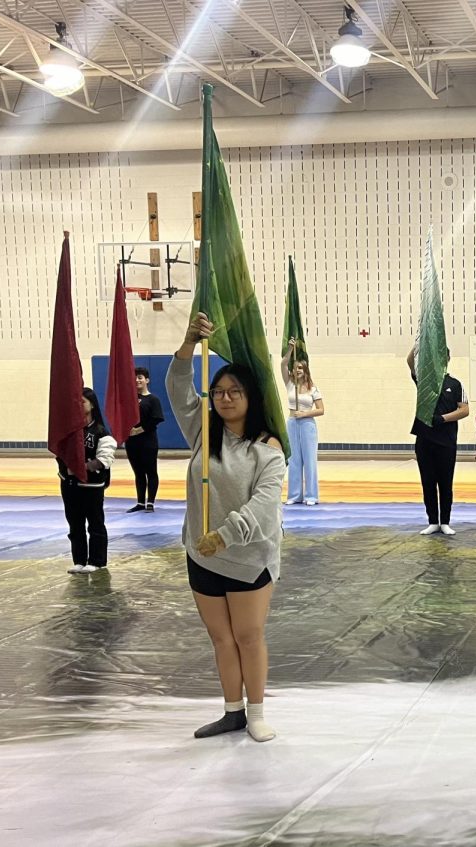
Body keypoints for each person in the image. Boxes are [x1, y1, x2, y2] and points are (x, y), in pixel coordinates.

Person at [168, 313, 286, 743]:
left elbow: (264, 508)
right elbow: (179, 388)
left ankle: (256, 712)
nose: (224, 398)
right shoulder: (203, 431)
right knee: (221, 638)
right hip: (201, 552)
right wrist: (187, 343)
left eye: (234, 391)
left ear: (251, 397)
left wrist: (226, 535)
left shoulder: (267, 448)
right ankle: (231, 712)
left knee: (248, 636)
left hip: (247, 557)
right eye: (218, 391)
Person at [407, 346, 470, 536]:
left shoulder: (455, 384)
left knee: (445, 482)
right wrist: (422, 342)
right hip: (425, 439)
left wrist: (443, 418)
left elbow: (465, 410)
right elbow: (410, 361)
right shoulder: (425, 381)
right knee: (428, 482)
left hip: (446, 441)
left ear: (447, 359)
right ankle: (432, 521)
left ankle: (446, 522)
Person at [60, 388, 117, 574]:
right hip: (70, 485)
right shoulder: (69, 431)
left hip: (91, 487)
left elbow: (104, 460)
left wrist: (81, 468)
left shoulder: (101, 432)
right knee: (75, 524)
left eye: (82, 401)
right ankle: (79, 560)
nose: (79, 405)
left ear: (92, 404)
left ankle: (97, 561)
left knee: (95, 523)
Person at [281, 339, 324, 506]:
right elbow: (282, 364)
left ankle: (311, 495)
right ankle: (294, 495)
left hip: (307, 425)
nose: (297, 370)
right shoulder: (290, 384)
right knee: (294, 459)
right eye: (296, 367)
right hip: (292, 424)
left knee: (309, 460)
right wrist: (291, 349)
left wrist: (305, 413)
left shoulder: (313, 388)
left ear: (305, 370)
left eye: (301, 368)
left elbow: (321, 409)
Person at [126, 366, 165, 513]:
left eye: (140, 377)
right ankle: (140, 502)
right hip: (132, 442)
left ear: (147, 380)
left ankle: (150, 502)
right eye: (135, 378)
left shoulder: (153, 399)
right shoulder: (129, 399)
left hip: (148, 442)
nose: (137, 380)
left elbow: (156, 419)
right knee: (138, 473)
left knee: (151, 471)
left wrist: (139, 430)